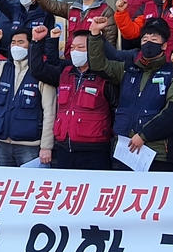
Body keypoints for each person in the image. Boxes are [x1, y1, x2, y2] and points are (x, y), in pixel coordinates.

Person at [87, 16, 173, 171]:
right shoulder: (128, 70)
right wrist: (94, 34)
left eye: (154, 39)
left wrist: (144, 135)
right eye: (145, 39)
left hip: (157, 154)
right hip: (126, 151)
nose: (148, 43)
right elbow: (99, 65)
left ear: (164, 45)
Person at [0, 25, 57, 167]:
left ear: (30, 45)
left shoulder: (41, 72)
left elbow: (49, 112)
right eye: (13, 42)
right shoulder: (2, 68)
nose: (16, 46)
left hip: (30, 146)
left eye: (21, 42)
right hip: (3, 144)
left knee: (29, 187)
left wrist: (46, 146)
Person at [29, 26, 116, 169]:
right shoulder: (66, 73)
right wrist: (37, 42)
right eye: (73, 47)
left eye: (81, 48)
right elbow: (38, 70)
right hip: (65, 148)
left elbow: (115, 108)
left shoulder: (105, 76)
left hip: (95, 150)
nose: (76, 51)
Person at [29, 0, 116, 47]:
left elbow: (110, 40)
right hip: (71, 57)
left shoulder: (105, 11)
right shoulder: (71, 8)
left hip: (93, 59)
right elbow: (48, 5)